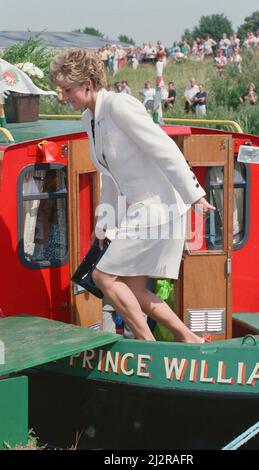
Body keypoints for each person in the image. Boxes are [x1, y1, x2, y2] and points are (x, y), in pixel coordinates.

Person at [50, 48, 215, 343]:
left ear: (87, 82)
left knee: (103, 277)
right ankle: (190, 338)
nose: (64, 96)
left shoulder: (119, 106)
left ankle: (147, 347)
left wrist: (195, 195)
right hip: (144, 208)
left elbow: (163, 148)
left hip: (160, 206)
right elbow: (110, 175)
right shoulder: (89, 119)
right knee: (133, 288)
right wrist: (103, 224)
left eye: (67, 89)